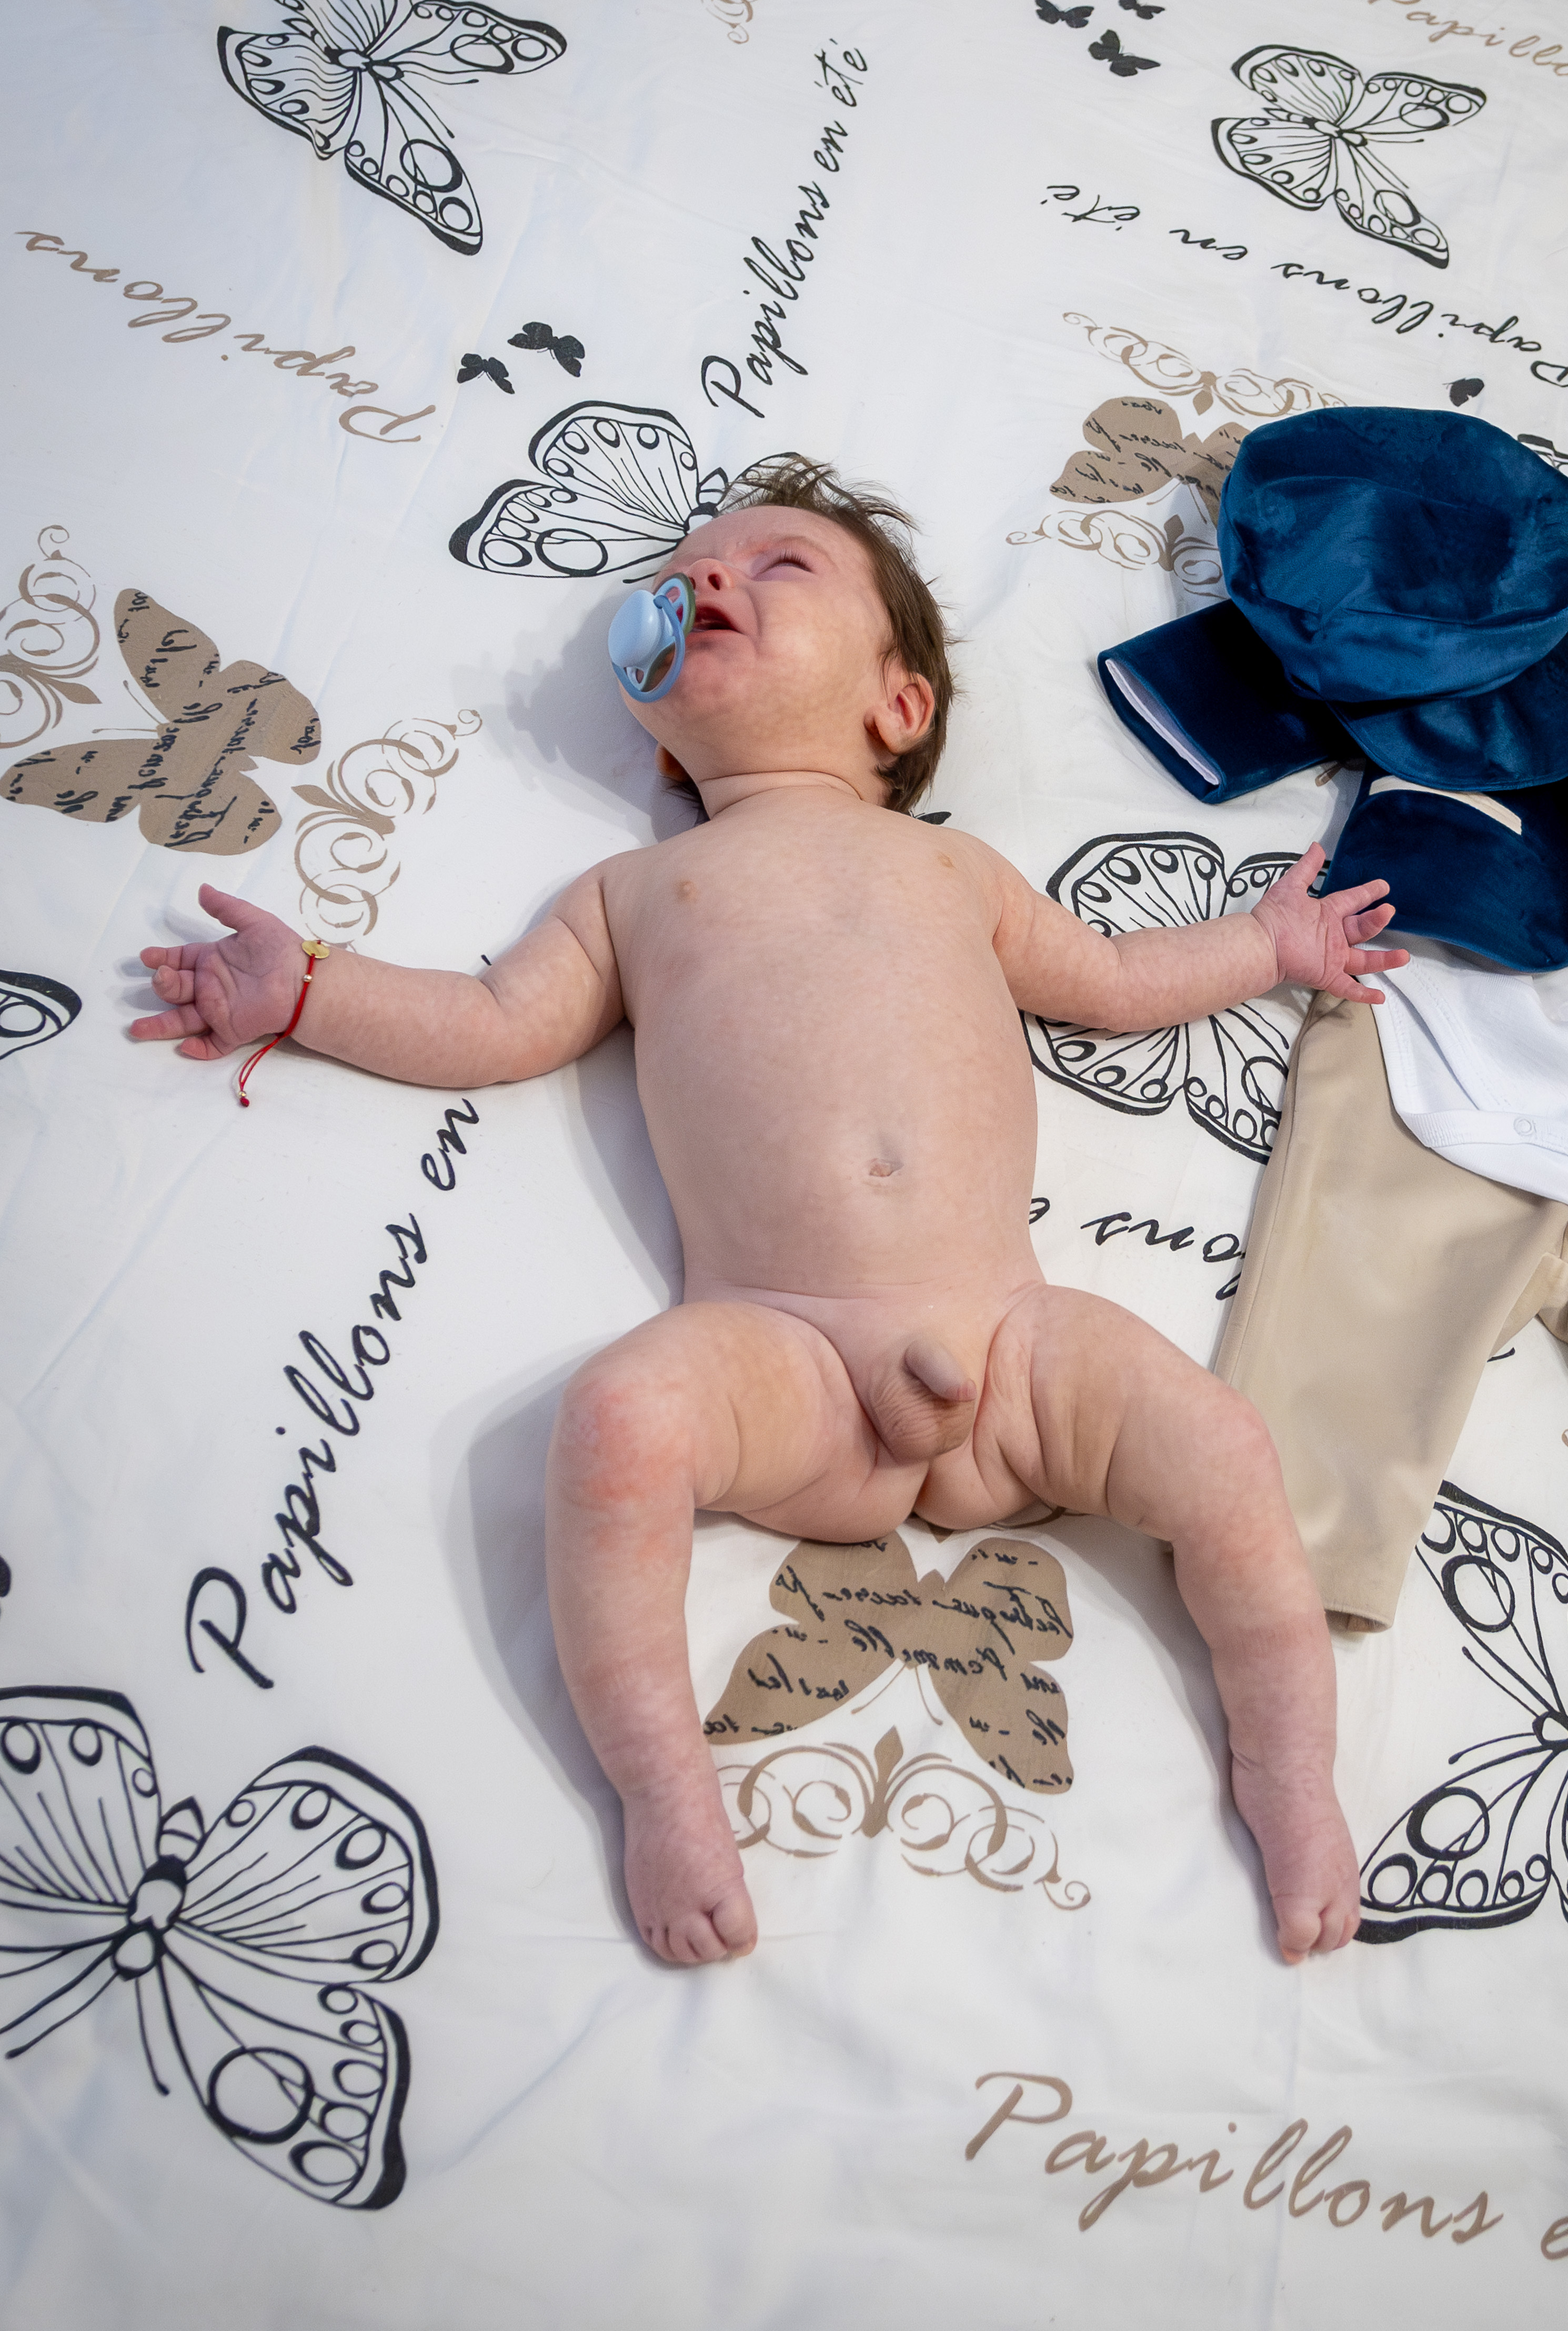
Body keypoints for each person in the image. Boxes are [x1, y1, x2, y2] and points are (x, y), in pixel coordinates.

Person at [131, 459, 1405, 1967]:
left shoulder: (957, 868)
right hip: (782, 1353)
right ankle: (664, 1791)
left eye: (779, 566)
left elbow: (1118, 983)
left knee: (1226, 1450)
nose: (708, 580)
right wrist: (309, 992)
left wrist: (1266, 946)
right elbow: (491, 1025)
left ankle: (1290, 1772)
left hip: (1012, 1346)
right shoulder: (632, 895)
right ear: (656, 726)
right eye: (683, 579)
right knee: (618, 1423)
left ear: (898, 706)